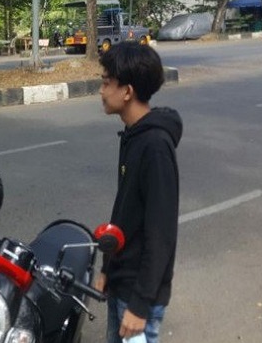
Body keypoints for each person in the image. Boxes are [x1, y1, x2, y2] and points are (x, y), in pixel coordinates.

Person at [94, 41, 182, 343]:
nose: (101, 91)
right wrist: (107, 269)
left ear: (127, 92)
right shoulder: (132, 135)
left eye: (106, 83)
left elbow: (161, 233)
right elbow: (124, 213)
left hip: (138, 296)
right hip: (122, 282)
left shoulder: (155, 147)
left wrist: (141, 305)